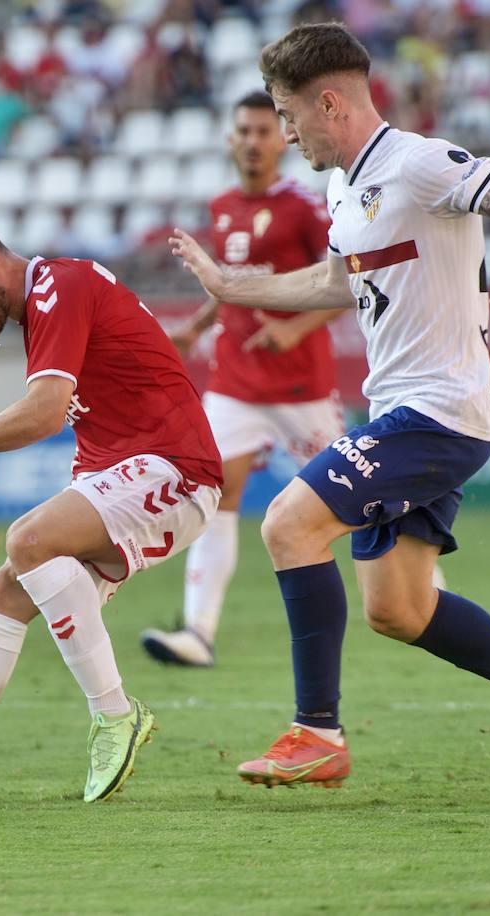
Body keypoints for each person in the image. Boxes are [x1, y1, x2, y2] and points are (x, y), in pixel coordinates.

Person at [169, 23, 490, 792]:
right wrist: (231, 287)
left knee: (286, 524)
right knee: (398, 609)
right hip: (403, 413)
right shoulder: (345, 185)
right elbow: (336, 282)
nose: (286, 130)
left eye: (289, 113)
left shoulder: (419, 163)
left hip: (439, 413)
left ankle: (317, 733)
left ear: (329, 102)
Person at [0, 209, 223, 808]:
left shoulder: (56, 285)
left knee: (27, 540)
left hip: (175, 469)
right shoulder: (42, 307)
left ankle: (116, 716)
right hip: (122, 472)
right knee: (4, 590)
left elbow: (43, 414)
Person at [140, 91, 348, 667]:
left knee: (357, 492)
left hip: (301, 386)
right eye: (244, 132)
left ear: (281, 139)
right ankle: (198, 633)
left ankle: (423, 580)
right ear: (231, 140)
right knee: (214, 495)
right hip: (233, 383)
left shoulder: (304, 207)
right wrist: (197, 326)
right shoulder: (223, 204)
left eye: (263, 130)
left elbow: (350, 281)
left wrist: (295, 330)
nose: (253, 141)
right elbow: (230, 283)